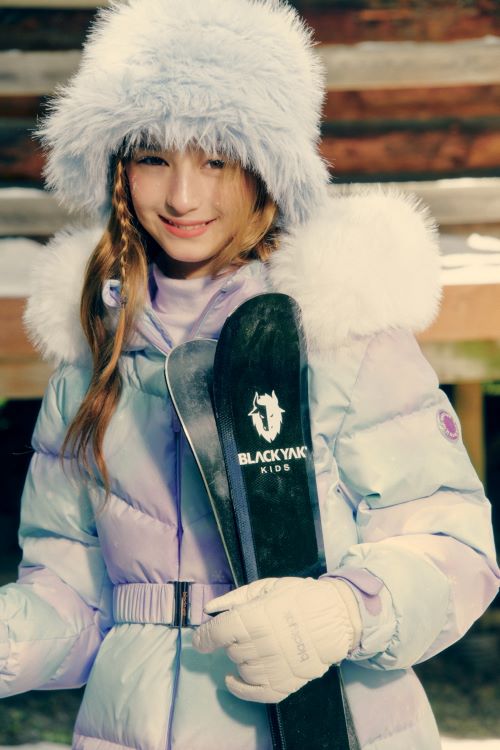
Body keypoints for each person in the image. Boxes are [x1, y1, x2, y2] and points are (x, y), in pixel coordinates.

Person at [1, 0, 498, 748]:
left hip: (328, 721)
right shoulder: (92, 359)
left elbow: (454, 544)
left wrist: (345, 612)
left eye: (216, 159)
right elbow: (73, 597)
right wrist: (12, 634)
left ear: (266, 167)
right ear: (117, 169)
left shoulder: (336, 333)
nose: (183, 197)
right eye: (152, 158)